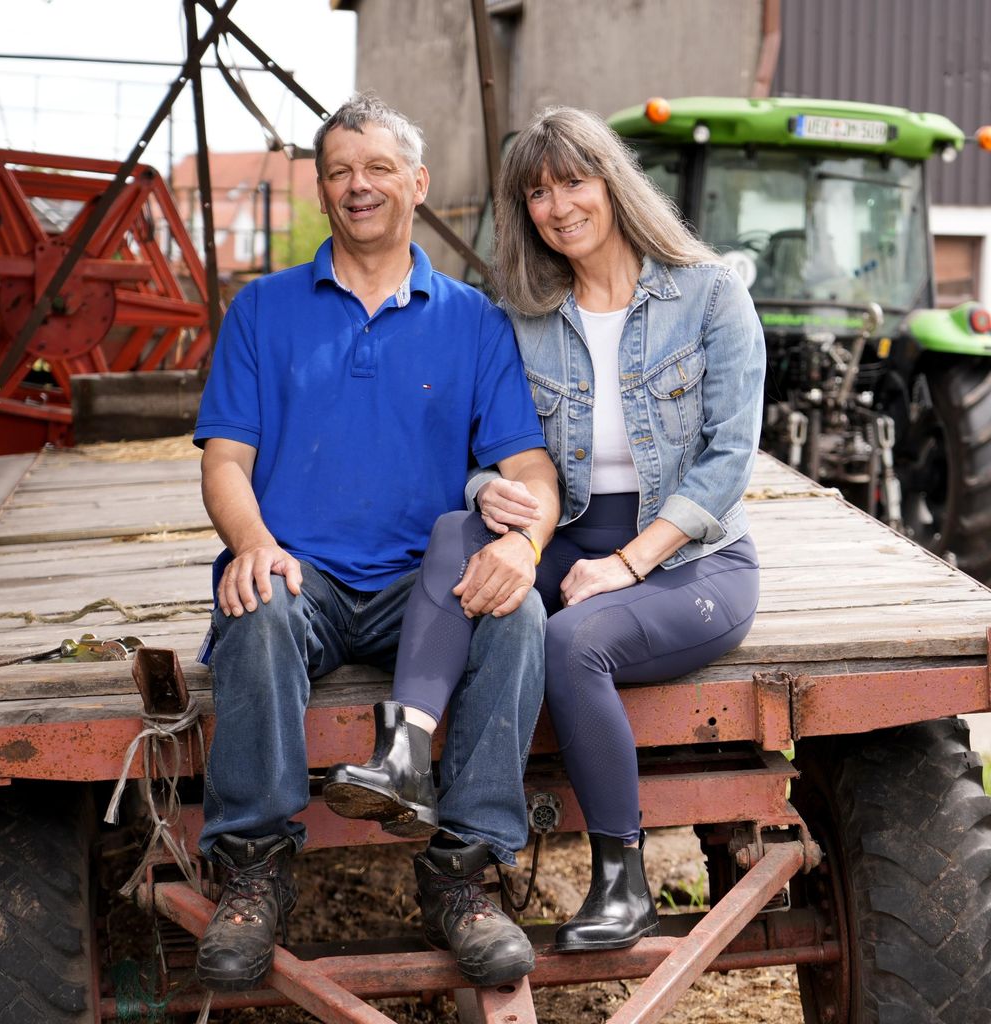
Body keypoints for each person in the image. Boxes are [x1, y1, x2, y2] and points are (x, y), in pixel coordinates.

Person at [335, 105, 765, 953]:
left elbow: (728, 461)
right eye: (536, 192)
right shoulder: (525, 315)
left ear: (613, 183)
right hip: (567, 534)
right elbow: (480, 445)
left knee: (574, 643)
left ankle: (623, 880)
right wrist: (492, 490)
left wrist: (629, 565)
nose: (558, 205)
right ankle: (407, 755)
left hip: (692, 559)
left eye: (573, 181)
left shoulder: (709, 294)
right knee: (459, 531)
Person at [192, 93, 559, 993]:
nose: (360, 187)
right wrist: (250, 542)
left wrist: (527, 547)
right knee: (259, 605)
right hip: (301, 572)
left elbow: (533, 472)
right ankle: (254, 872)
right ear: (322, 189)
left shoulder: (472, 319)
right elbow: (225, 461)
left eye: (379, 169)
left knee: (517, 616)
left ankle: (463, 877)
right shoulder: (263, 310)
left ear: (417, 184)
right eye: (341, 172)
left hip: (419, 591)